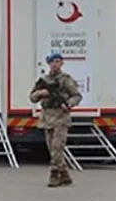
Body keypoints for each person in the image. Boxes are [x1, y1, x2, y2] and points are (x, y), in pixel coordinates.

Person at [29, 52, 82, 187]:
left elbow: (76, 96)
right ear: (49, 64)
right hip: (47, 117)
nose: (55, 64)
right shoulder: (44, 80)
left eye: (57, 61)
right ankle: (65, 174)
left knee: (57, 148)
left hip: (61, 117)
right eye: (52, 62)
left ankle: (55, 175)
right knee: (50, 147)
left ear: (62, 63)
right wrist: (41, 93)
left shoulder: (66, 79)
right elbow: (32, 97)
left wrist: (69, 103)